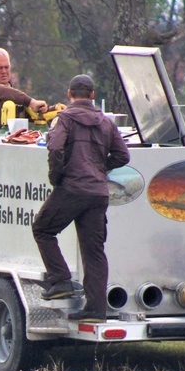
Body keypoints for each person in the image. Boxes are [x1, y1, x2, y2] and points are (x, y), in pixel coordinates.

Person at [32, 74, 130, 323]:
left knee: (43, 228)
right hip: (98, 193)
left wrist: (57, 177)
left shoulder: (64, 118)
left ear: (69, 94)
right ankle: (96, 310)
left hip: (72, 188)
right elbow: (123, 155)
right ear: (93, 95)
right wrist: (100, 168)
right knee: (94, 251)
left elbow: (54, 148)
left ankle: (61, 280)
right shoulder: (107, 122)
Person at [0, 48, 49, 135]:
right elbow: (2, 92)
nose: (4, 71)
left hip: (8, 145)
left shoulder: (9, 90)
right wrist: (30, 101)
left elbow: (29, 114)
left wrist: (50, 110)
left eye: (6, 67)